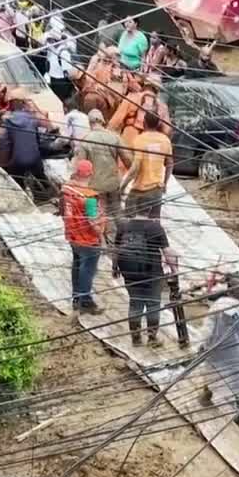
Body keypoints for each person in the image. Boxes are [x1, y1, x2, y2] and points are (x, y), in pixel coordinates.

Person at [200, 271, 239, 428]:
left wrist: (203, 345)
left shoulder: (220, 305)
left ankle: (207, 396)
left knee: (213, 373)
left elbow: (208, 328)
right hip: (238, 351)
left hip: (219, 349)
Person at [113, 214, 176, 347]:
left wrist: (115, 267)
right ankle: (152, 339)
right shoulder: (155, 227)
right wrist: (174, 269)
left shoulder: (123, 226)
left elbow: (116, 249)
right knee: (153, 305)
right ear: (149, 210)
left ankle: (136, 339)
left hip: (130, 272)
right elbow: (167, 251)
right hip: (152, 273)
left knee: (135, 304)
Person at [74, 108, 131, 240]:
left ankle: (101, 241)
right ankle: (124, 237)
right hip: (113, 182)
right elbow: (127, 159)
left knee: (99, 212)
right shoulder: (114, 137)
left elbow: (80, 166)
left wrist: (78, 185)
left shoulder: (85, 140)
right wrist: (130, 175)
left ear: (90, 123)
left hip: (95, 185)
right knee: (117, 210)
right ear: (102, 121)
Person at [61, 159, 105, 315]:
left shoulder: (66, 189)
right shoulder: (90, 197)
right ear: (91, 173)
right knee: (88, 269)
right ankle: (85, 300)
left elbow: (62, 209)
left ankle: (76, 297)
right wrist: (101, 235)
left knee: (77, 265)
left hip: (72, 234)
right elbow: (93, 221)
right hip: (88, 238)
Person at [0, 89, 50, 200]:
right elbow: (41, 134)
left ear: (10, 104)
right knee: (41, 175)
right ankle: (48, 193)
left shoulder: (6, 121)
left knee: (17, 183)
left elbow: (4, 144)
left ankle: (23, 197)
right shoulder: (31, 118)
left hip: (17, 162)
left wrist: (4, 163)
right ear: (23, 103)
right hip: (34, 159)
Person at [123, 111, 172, 219]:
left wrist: (123, 186)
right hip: (157, 190)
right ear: (159, 123)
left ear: (144, 122)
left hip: (140, 190)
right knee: (154, 223)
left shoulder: (139, 139)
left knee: (129, 220)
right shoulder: (165, 140)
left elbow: (135, 167)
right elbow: (170, 164)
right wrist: (165, 183)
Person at [109, 73, 171, 148]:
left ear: (144, 84)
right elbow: (167, 131)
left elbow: (115, 122)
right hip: (149, 145)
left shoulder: (132, 98)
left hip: (129, 140)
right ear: (158, 89)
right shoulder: (162, 106)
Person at [44, 26, 76, 102]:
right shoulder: (52, 48)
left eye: (50, 40)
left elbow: (68, 72)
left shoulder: (64, 53)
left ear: (55, 41)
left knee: (60, 101)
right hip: (52, 79)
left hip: (61, 82)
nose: (48, 41)